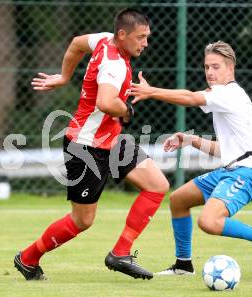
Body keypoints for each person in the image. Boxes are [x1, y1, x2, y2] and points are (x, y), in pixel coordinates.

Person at [14, 8, 169, 281]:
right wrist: (128, 111)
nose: (145, 43)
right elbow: (106, 102)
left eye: (147, 37)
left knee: (157, 186)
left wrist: (64, 77)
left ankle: (120, 253)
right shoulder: (114, 64)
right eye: (141, 37)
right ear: (122, 35)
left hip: (112, 139)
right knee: (82, 221)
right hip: (86, 146)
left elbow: (75, 44)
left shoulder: (104, 39)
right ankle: (28, 258)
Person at [130, 40, 252, 275]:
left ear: (230, 68)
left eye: (216, 67)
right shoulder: (224, 97)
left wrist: (151, 91)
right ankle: (183, 265)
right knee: (179, 200)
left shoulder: (228, 93)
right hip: (235, 167)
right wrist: (190, 140)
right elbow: (226, 151)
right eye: (207, 67)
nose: (210, 73)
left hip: (251, 172)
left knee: (209, 221)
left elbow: (190, 98)